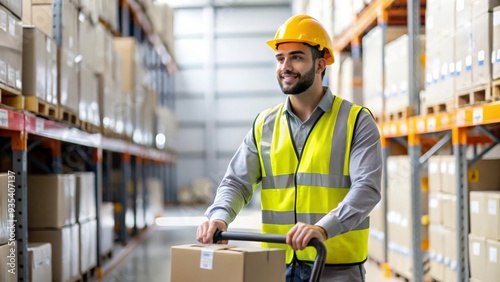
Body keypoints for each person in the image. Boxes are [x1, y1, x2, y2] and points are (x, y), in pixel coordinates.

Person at [197, 14, 382, 282]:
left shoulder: (356, 121)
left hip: (334, 267)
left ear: (320, 65)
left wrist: (323, 229)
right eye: (280, 58)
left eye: (296, 57)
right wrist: (219, 216)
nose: (286, 66)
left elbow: (367, 189)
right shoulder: (264, 125)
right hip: (277, 266)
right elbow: (236, 182)